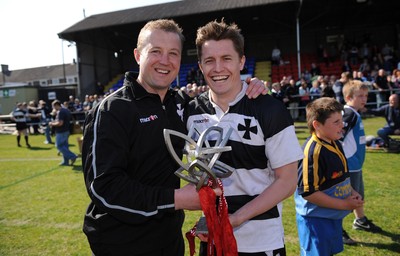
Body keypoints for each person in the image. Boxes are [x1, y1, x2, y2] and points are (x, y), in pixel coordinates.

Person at [81, 19, 267, 256]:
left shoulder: (179, 103)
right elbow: (104, 188)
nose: (165, 61)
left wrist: (250, 86)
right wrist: (177, 198)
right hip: (121, 243)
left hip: (168, 238)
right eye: (155, 51)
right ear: (138, 55)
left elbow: (219, 101)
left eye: (173, 53)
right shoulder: (111, 110)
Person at [188, 19, 303, 255]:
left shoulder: (270, 109)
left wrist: (237, 218)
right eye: (209, 60)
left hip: (261, 241)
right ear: (200, 66)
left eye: (226, 58)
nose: (218, 68)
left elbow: (288, 181)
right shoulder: (190, 112)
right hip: (211, 240)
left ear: (241, 61)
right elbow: (195, 176)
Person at [295, 97, 364, 256]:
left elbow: (341, 177)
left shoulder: (335, 142)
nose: (343, 125)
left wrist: (352, 192)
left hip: (331, 216)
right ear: (317, 125)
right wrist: (344, 205)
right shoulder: (312, 152)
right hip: (315, 220)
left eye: (341, 120)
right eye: (336, 122)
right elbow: (308, 192)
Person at [340, 80, 382, 245]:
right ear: (349, 97)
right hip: (349, 165)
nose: (364, 99)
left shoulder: (354, 113)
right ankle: (337, 229)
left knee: (358, 195)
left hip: (356, 164)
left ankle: (360, 220)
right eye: (360, 96)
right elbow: (338, 136)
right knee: (346, 198)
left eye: (366, 96)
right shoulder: (348, 113)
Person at [49, 100, 77, 166]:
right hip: (66, 130)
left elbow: (60, 123)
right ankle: (65, 162)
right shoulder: (66, 110)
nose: (53, 108)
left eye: (53, 106)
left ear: (56, 105)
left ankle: (72, 156)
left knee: (59, 146)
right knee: (65, 147)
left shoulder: (61, 112)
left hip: (61, 131)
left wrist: (52, 124)